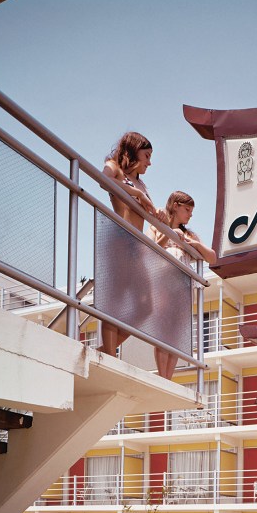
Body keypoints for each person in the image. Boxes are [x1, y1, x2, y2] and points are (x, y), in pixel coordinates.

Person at [100, 131, 162, 357]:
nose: (149, 162)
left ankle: (105, 349)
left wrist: (160, 215)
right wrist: (135, 192)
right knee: (114, 301)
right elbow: (103, 181)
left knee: (146, 306)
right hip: (119, 240)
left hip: (136, 246)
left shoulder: (142, 183)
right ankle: (108, 353)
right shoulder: (114, 166)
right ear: (134, 151)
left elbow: (151, 213)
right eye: (147, 156)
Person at [148, 191, 216, 379]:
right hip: (162, 283)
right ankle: (163, 376)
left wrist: (190, 242)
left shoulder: (189, 233)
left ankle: (168, 378)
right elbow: (149, 248)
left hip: (182, 287)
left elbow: (212, 256)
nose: (190, 215)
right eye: (187, 210)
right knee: (163, 332)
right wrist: (169, 234)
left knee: (176, 334)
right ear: (176, 205)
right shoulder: (156, 224)